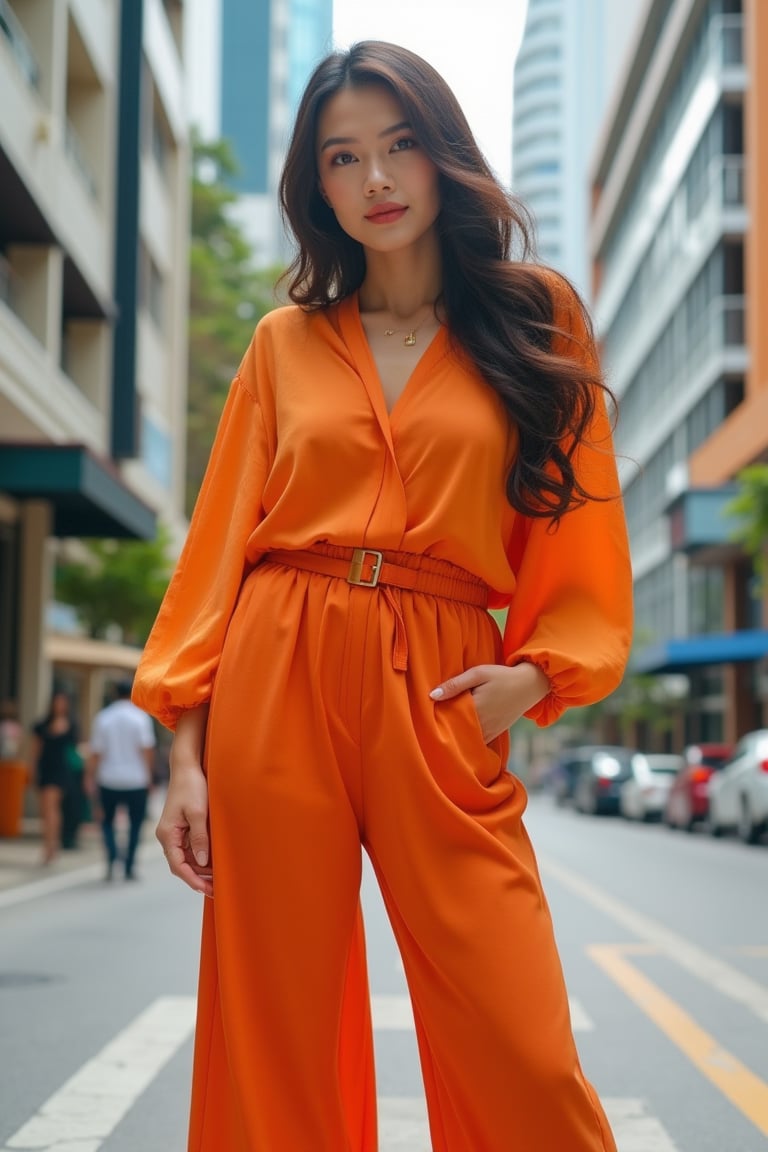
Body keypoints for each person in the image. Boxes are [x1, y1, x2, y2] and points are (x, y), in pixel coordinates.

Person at [133, 41, 633, 1152]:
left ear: (444, 151)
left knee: (521, 1045)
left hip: (445, 682)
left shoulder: (535, 319)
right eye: (343, 157)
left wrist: (534, 677)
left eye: (400, 144)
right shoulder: (282, 346)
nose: (377, 180)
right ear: (318, 185)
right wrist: (183, 752)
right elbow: (216, 556)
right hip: (279, 669)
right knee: (275, 1030)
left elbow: (580, 527)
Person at [86, 678, 156, 881]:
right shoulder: (140, 718)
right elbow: (147, 751)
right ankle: (129, 865)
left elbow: (96, 752)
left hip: (109, 778)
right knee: (135, 824)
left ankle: (112, 857)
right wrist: (150, 777)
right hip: (136, 779)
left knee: (107, 822)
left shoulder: (103, 718)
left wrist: (90, 776)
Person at [30, 690, 79, 865]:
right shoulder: (42, 725)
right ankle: (49, 843)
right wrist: (33, 771)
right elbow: (35, 751)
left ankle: (51, 845)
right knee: (45, 810)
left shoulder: (71, 724)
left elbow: (76, 747)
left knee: (52, 808)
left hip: (61, 770)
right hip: (46, 769)